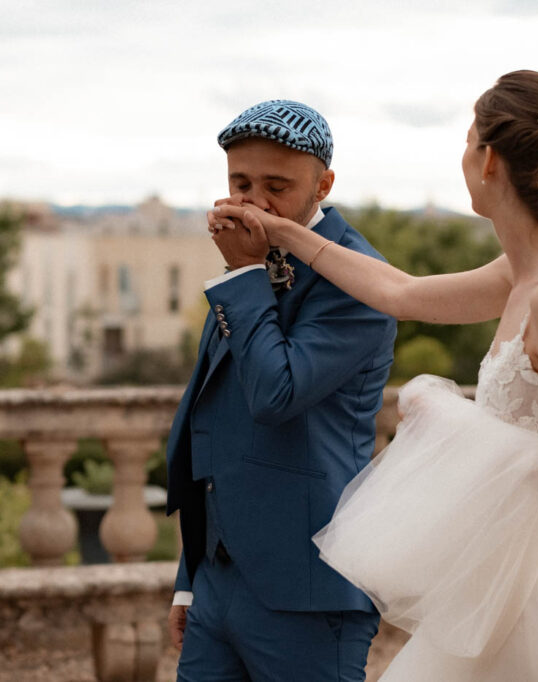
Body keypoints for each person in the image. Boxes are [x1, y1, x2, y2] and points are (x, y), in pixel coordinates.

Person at [213, 71, 538, 680]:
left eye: (467, 140)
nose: (462, 155)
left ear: (487, 162)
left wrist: (455, 428)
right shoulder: (523, 271)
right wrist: (284, 234)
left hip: (530, 594)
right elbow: (400, 292)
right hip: (492, 576)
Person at [165, 99, 398, 681]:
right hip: (217, 581)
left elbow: (276, 395)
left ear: (324, 184)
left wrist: (243, 276)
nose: (254, 202)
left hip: (310, 590)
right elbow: (210, 420)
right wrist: (191, 578)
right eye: (239, 182)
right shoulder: (245, 261)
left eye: (276, 186)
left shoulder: (358, 281)